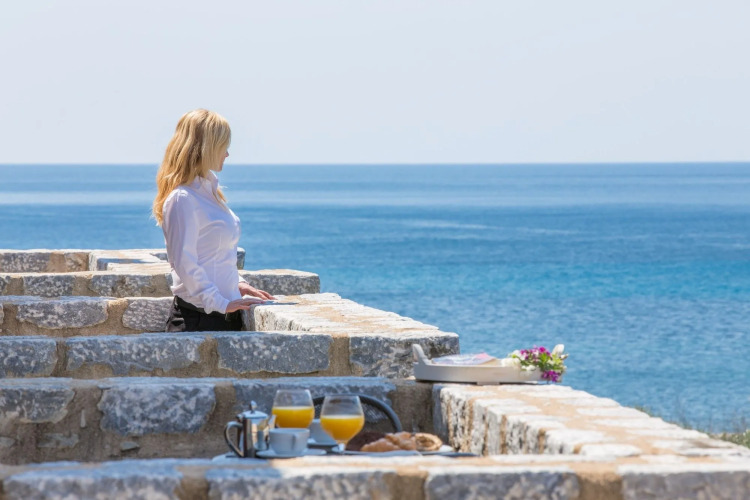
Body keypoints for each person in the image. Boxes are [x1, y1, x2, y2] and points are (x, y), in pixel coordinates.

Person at [152, 109, 275, 331]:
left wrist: (237, 283)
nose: (227, 154)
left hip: (223, 315)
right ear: (207, 148)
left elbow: (214, 255)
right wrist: (219, 302)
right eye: (223, 146)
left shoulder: (208, 192)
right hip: (198, 320)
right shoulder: (183, 198)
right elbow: (184, 262)